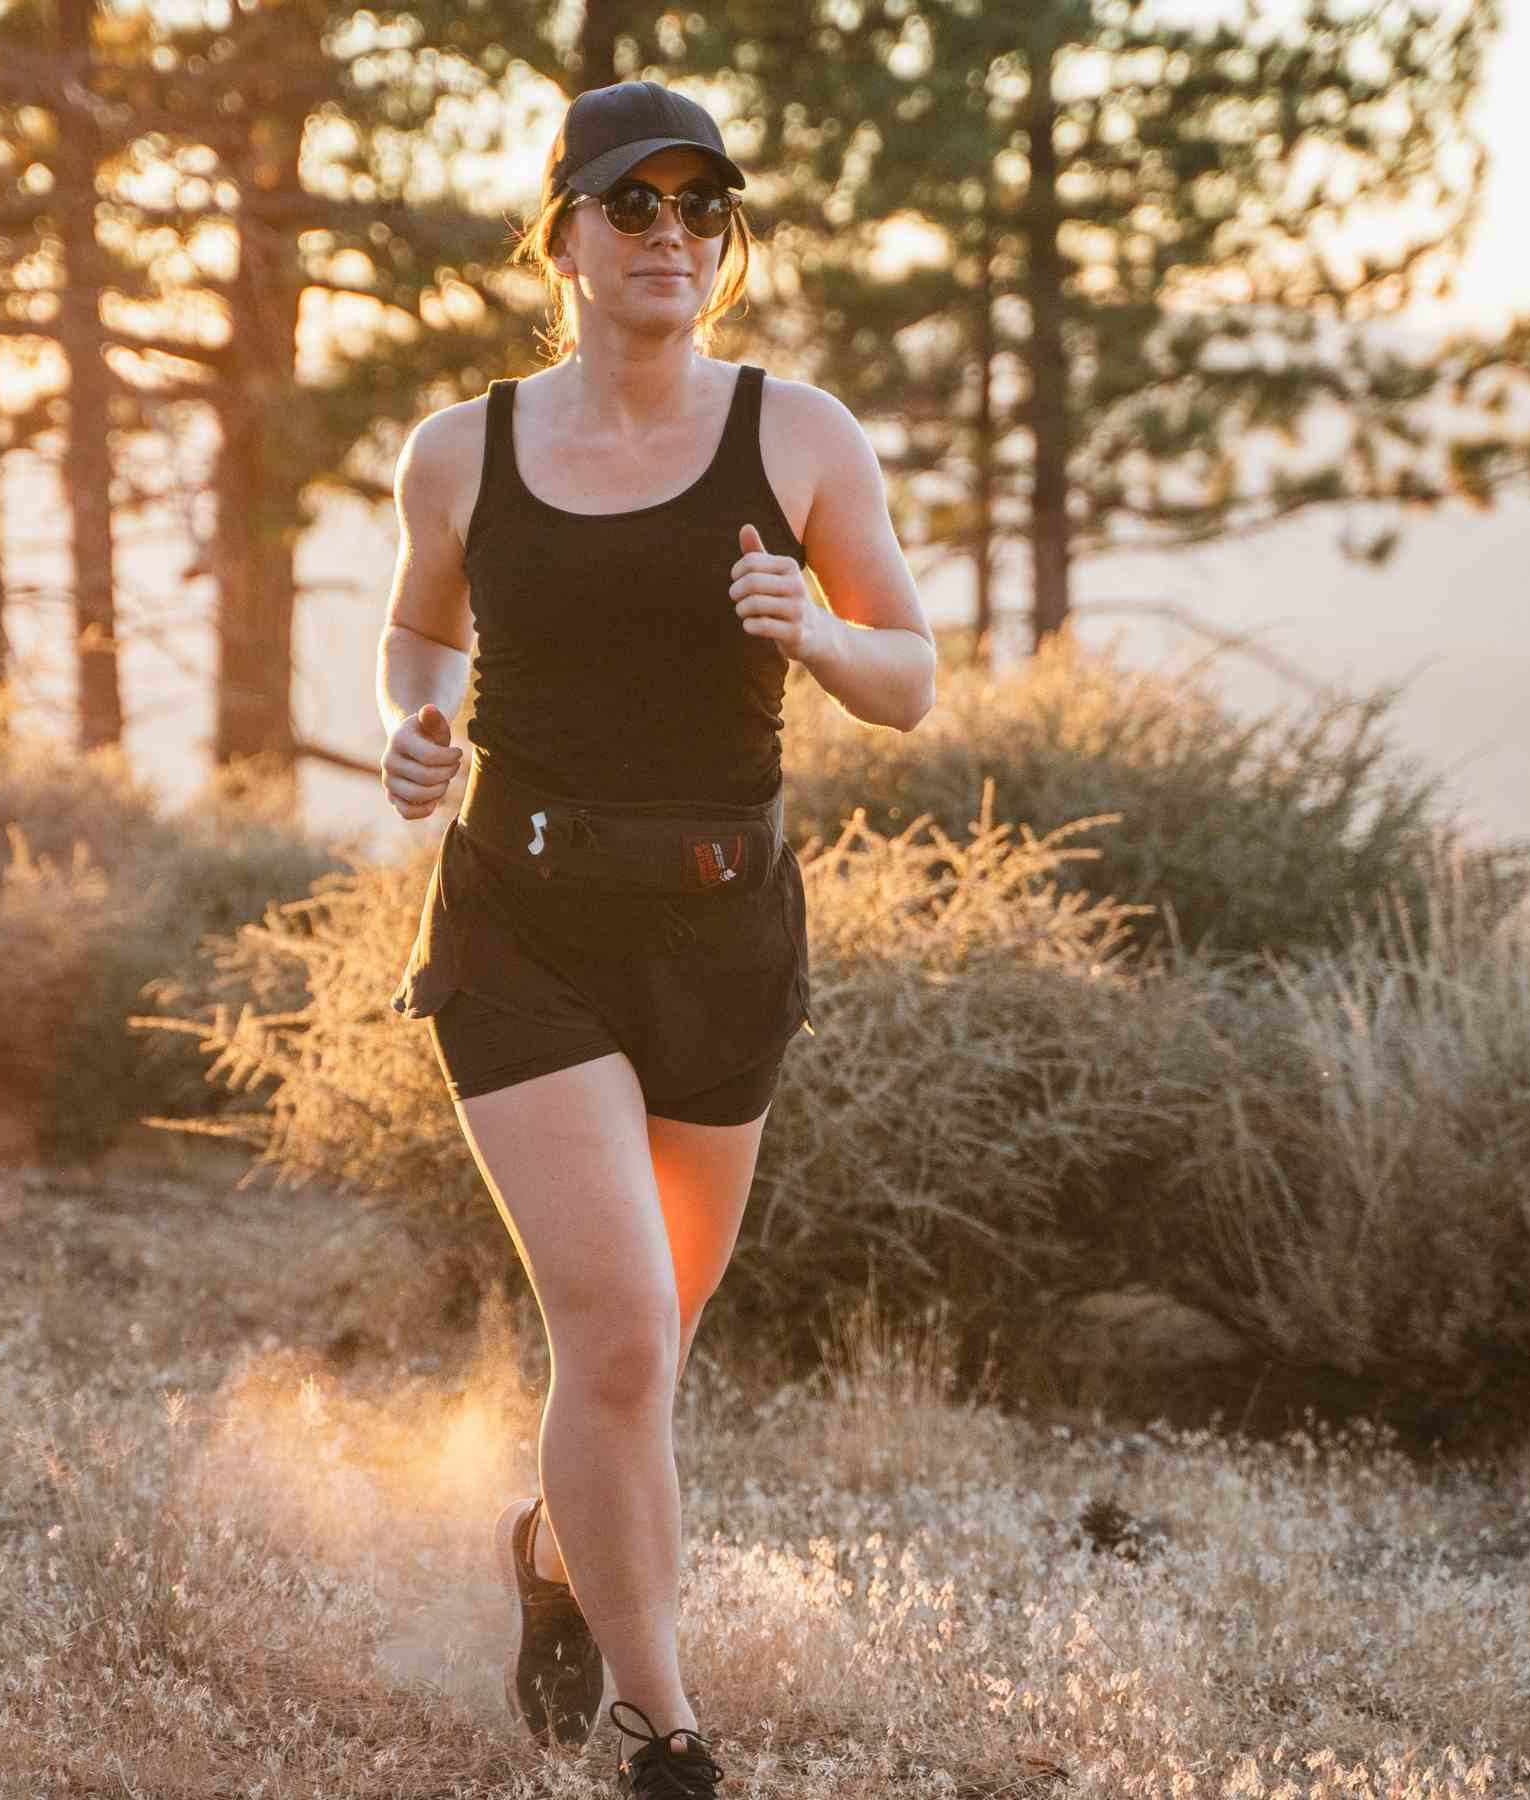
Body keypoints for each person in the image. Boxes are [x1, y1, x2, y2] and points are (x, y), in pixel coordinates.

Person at [374, 77, 934, 1799]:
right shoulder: (462, 449)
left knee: (652, 1341)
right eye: (637, 206)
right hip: (522, 923)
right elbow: (419, 631)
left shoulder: (802, 433)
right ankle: (655, 1722)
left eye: (703, 208)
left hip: (720, 936)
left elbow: (908, 676)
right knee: (618, 1333)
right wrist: (417, 723)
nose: (673, 237)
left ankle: (556, 1547)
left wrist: (819, 637)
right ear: (566, 236)